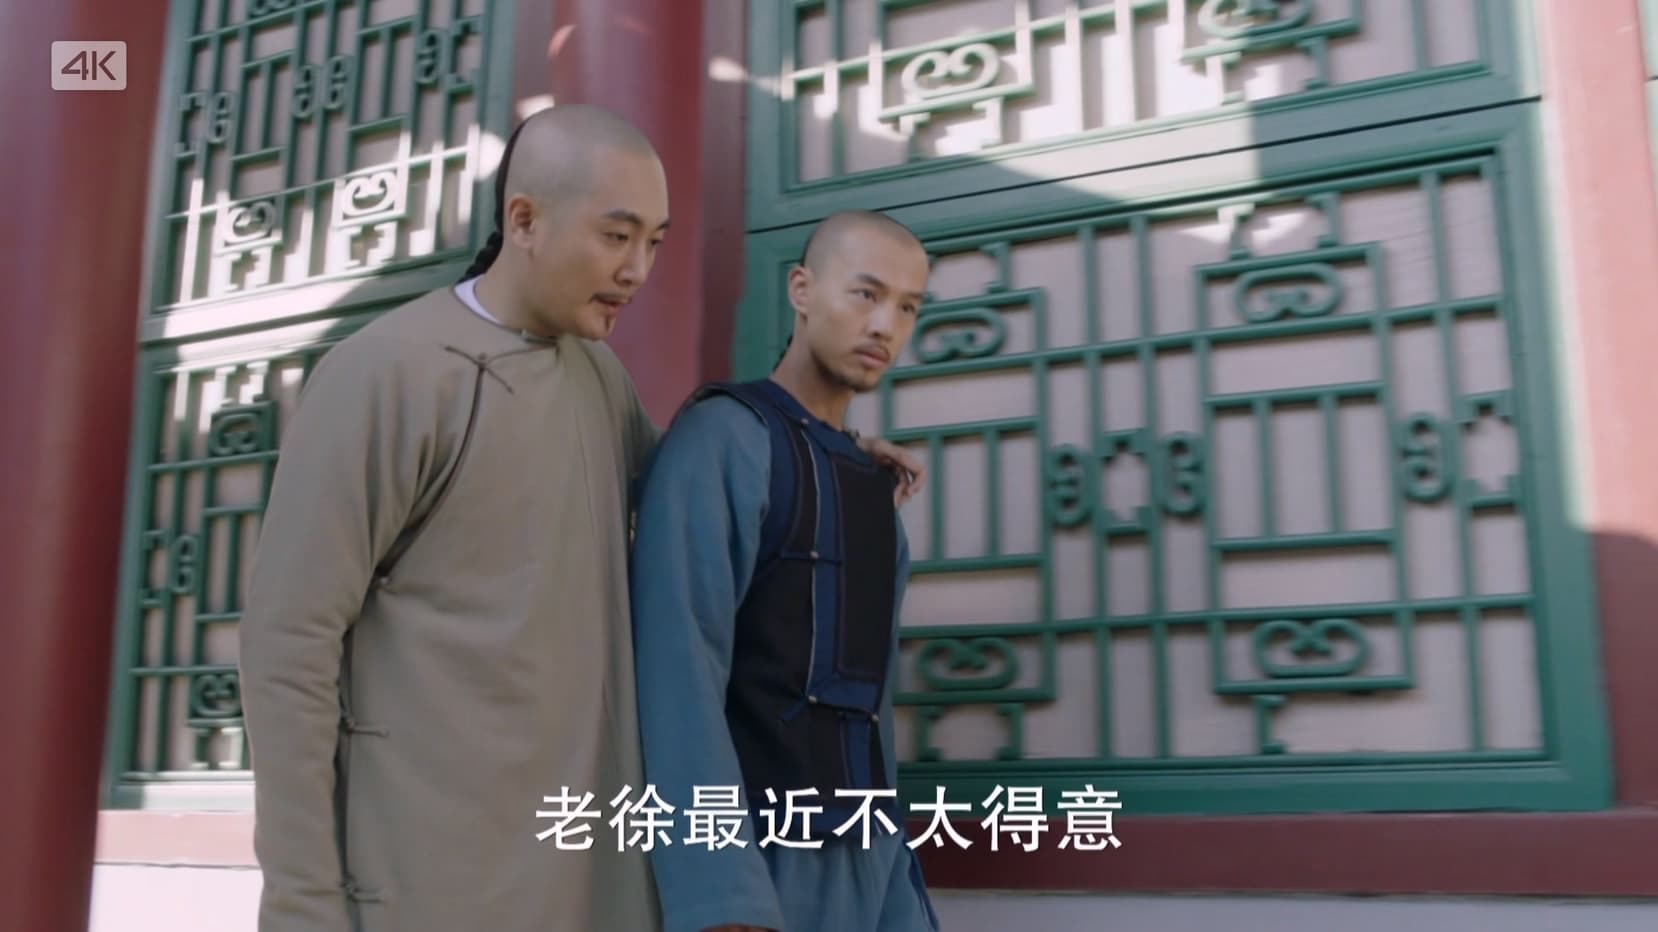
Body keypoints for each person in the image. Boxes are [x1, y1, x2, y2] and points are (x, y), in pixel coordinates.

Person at [237, 106, 924, 932]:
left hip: (587, 863)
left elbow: (698, 485)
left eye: (654, 243)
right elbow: (288, 646)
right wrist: (304, 900)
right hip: (433, 872)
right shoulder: (386, 374)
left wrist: (829, 450)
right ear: (524, 220)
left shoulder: (598, 375)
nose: (637, 270)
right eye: (616, 237)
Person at [629, 209, 941, 932]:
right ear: (801, 289)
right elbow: (679, 670)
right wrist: (721, 895)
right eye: (865, 294)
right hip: (760, 859)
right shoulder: (721, 439)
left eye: (907, 307)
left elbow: (870, 706)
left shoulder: (871, 481)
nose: (885, 325)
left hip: (870, 852)